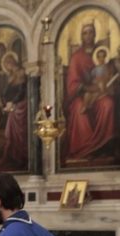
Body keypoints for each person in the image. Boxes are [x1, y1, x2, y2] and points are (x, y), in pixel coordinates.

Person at [64, 22, 115, 161]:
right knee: (79, 109)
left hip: (100, 93)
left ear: (95, 34)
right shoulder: (76, 57)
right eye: (85, 33)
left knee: (108, 104)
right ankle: (85, 149)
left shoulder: (102, 53)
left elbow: (109, 74)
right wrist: (88, 88)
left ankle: (103, 146)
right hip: (81, 95)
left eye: (91, 32)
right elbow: (72, 84)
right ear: (81, 36)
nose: (88, 35)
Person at [0, 52, 28, 169]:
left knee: (18, 133)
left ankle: (20, 157)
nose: (7, 66)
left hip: (20, 107)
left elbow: (21, 91)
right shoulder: (10, 77)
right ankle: (10, 157)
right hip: (12, 108)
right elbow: (7, 93)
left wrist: (13, 102)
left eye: (8, 63)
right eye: (6, 64)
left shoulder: (21, 72)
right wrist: (4, 102)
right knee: (10, 133)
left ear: (12, 61)